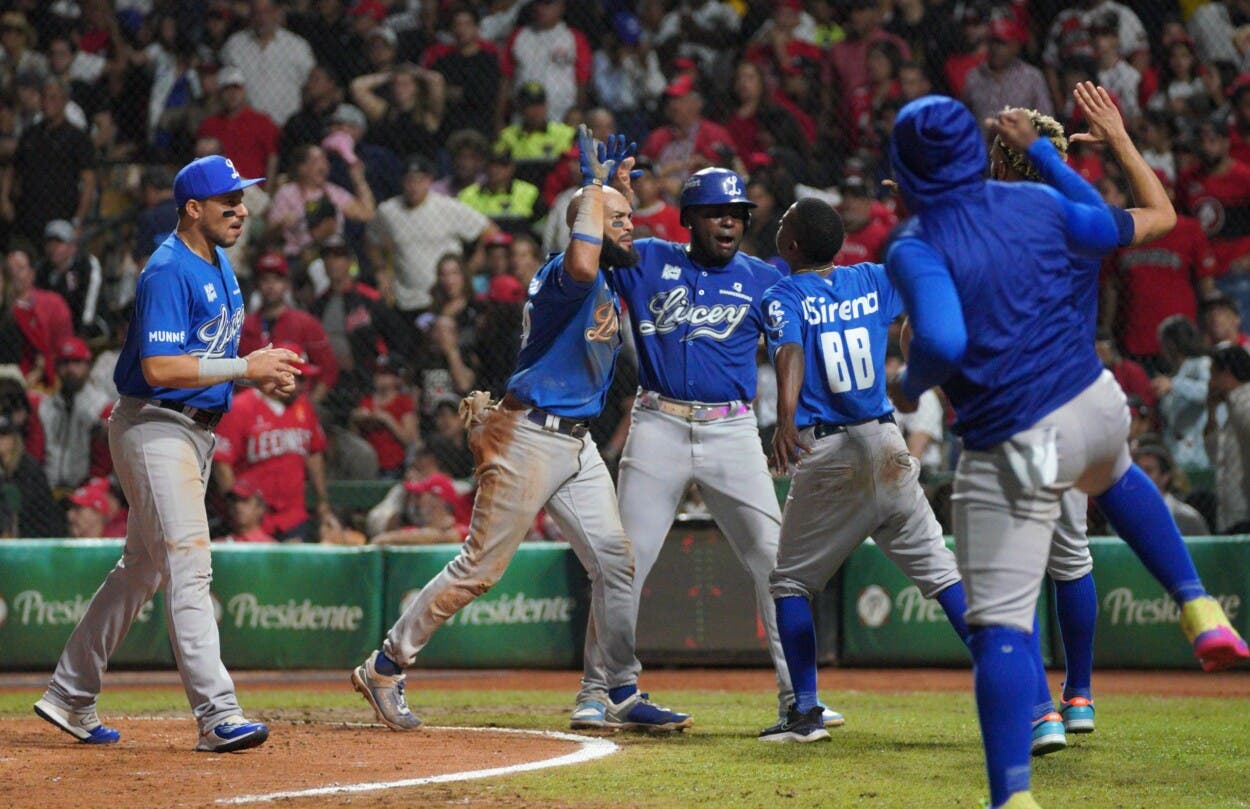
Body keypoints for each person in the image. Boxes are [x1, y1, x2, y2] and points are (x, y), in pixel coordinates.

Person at [885, 95, 1247, 809]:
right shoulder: (1043, 207)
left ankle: (1013, 795)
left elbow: (945, 343)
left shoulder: (916, 241)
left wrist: (907, 384)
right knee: (1115, 476)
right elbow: (1137, 219)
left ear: (903, 169)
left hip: (1021, 441)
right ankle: (1197, 603)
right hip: (1098, 402)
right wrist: (1065, 152)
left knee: (999, 630)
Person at [351, 126, 691, 734]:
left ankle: (618, 688)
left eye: (626, 217)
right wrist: (592, 191)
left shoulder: (611, 272)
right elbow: (586, 253)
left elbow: (613, 246)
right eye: (616, 219)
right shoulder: (567, 272)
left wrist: (611, 193)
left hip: (576, 442)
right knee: (479, 569)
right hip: (530, 436)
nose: (627, 225)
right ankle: (385, 664)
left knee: (616, 563)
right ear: (583, 223)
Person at [34, 154, 300, 752]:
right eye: (229, 201)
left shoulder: (220, 262)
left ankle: (70, 693)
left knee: (143, 570)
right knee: (188, 562)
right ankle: (217, 713)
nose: (242, 209)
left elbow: (204, 356)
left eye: (243, 198)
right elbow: (158, 368)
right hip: (155, 426)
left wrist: (258, 374)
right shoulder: (167, 268)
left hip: (193, 431)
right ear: (193, 208)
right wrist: (244, 368)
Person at [573, 164, 835, 732]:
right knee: (624, 564)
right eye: (718, 212)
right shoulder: (646, 259)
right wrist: (604, 194)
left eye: (738, 214)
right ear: (689, 217)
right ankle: (599, 692)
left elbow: (791, 346)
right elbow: (584, 251)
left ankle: (798, 698)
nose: (729, 222)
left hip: (734, 430)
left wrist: (790, 418)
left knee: (775, 563)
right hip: (657, 424)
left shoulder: (764, 278)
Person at [760, 197, 970, 742]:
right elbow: (922, 260)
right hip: (887, 442)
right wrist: (915, 206)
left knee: (790, 583)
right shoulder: (872, 279)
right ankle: (1032, 699)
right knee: (945, 576)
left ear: (792, 245)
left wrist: (785, 418)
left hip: (830, 453)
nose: (778, 225)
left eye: (784, 222)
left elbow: (789, 353)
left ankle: (804, 715)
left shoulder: (784, 293)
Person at [212, 344, 330, 542]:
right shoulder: (240, 408)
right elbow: (222, 465)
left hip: (293, 515)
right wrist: (237, 512)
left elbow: (314, 453)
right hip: (252, 518)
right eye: (297, 378)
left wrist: (322, 500)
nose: (302, 386)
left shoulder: (304, 407)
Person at [1205, 344, 1250, 533]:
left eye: (1213, 375)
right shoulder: (1231, 410)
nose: (1210, 383)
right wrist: (1211, 411)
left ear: (1227, 373)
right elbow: (1213, 455)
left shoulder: (1246, 404)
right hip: (1231, 513)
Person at [1132, 443, 1211, 536]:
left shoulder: (1188, 519)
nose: (1141, 476)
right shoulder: (1125, 516)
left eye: (1148, 471)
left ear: (1165, 477)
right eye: (1137, 471)